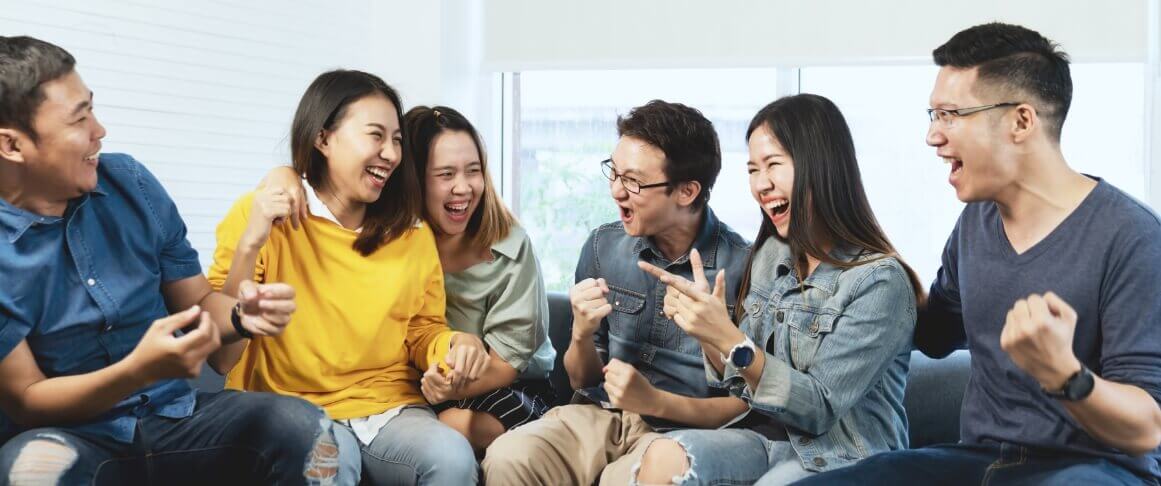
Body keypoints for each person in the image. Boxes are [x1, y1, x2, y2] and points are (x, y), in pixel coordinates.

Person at [797, 22, 1161, 485]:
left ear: (1021, 121)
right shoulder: (976, 222)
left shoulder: (1132, 236)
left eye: (950, 115)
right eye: (933, 115)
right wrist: (850, 261)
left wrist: (1064, 374)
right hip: (981, 461)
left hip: (1092, 469)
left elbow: (1145, 429)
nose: (933, 136)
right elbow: (935, 333)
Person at [0, 36, 337, 485]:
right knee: (31, 473)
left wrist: (241, 316)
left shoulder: (131, 183)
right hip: (73, 437)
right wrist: (136, 371)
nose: (100, 130)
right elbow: (26, 398)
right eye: (79, 119)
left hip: (179, 418)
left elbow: (199, 306)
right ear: (12, 145)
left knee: (307, 431)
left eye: (92, 109)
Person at [208, 70, 487, 485]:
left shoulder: (411, 233)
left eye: (397, 140)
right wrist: (251, 244)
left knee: (452, 458)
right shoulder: (264, 213)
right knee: (330, 465)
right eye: (376, 135)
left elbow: (421, 331)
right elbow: (221, 357)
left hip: (389, 409)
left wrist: (455, 345)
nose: (391, 153)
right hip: (292, 408)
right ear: (323, 138)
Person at [635, 93, 922, 485]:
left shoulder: (879, 281)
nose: (761, 184)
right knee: (664, 454)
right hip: (765, 438)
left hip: (844, 455)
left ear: (820, 165)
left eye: (773, 165)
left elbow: (818, 408)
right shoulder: (772, 255)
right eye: (753, 169)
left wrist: (730, 338)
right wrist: (707, 331)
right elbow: (740, 381)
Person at [482, 100, 752, 486]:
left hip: (679, 431)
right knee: (509, 457)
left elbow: (746, 405)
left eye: (633, 181)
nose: (615, 191)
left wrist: (708, 338)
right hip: (600, 415)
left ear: (687, 191)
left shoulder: (743, 267)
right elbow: (582, 379)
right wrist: (581, 332)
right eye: (614, 172)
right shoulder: (602, 246)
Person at [261, 105, 557, 456]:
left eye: (473, 171)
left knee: (458, 425)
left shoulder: (509, 246)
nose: (463, 188)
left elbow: (506, 364)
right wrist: (283, 176)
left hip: (503, 382)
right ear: (413, 179)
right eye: (445, 174)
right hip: (414, 389)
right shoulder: (394, 237)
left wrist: (447, 387)